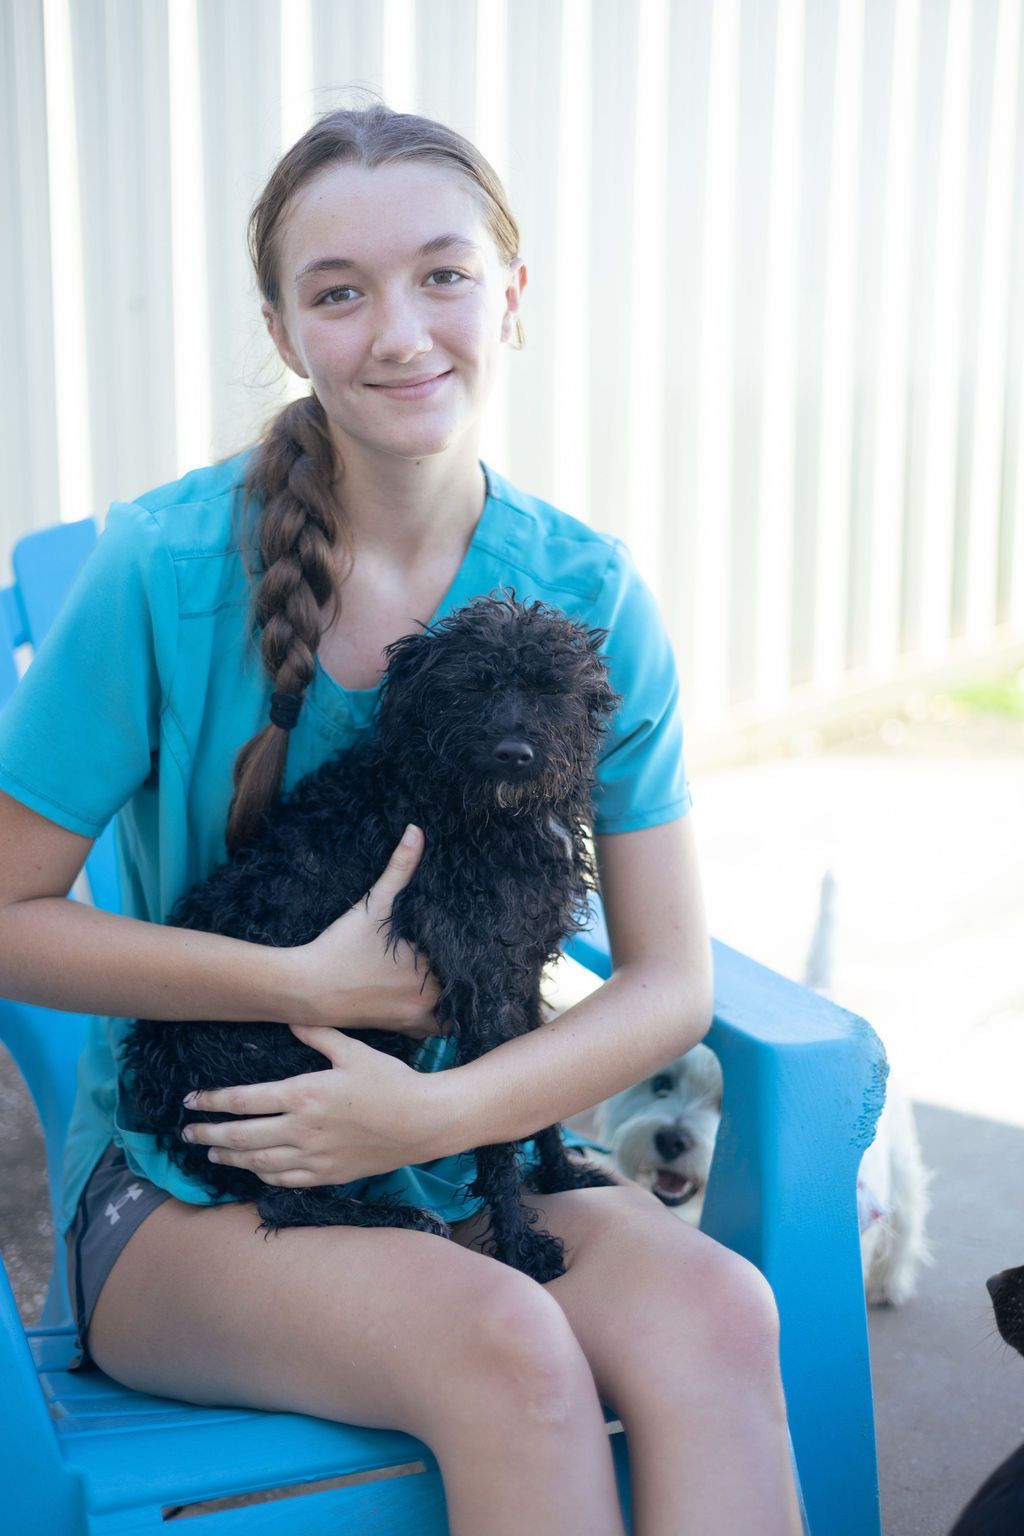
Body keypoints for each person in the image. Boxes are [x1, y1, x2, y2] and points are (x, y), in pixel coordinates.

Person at [0, 103, 803, 1536]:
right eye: (339, 291)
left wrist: (430, 1110)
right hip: (213, 1181)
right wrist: (297, 984)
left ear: (511, 294)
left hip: (462, 1147)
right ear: (284, 325)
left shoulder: (588, 595)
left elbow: (670, 976)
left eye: (442, 274)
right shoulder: (160, 570)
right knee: (511, 1351)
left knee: (722, 1313)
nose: (399, 331)